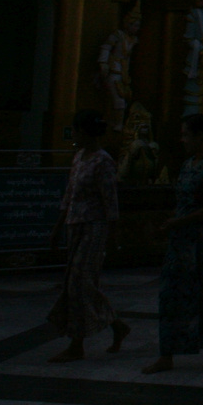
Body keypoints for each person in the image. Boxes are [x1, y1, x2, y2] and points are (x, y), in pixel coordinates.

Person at [143, 115, 203, 373]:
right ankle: (168, 353)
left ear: (201, 136)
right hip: (181, 240)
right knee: (171, 293)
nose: (183, 139)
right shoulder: (188, 165)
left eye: (187, 134)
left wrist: (181, 221)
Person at [47, 110, 128, 361]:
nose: (74, 135)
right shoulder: (79, 158)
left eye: (76, 130)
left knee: (79, 282)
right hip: (76, 224)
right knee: (78, 282)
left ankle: (77, 343)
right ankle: (115, 325)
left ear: (85, 132)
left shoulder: (103, 162)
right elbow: (69, 195)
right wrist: (58, 227)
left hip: (94, 226)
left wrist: (113, 236)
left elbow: (109, 201)